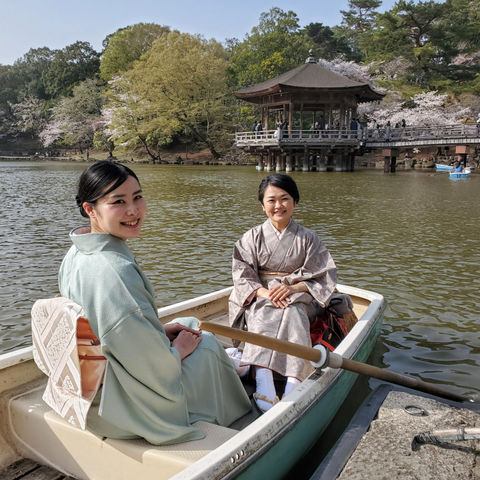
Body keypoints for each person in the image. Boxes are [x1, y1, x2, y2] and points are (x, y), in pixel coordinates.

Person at [59, 161, 251, 444]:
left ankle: (228, 369)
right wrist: (176, 354)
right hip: (122, 407)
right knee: (206, 343)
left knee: (185, 325)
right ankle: (242, 417)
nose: (133, 210)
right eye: (118, 202)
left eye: (137, 197)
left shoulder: (75, 254)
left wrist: (159, 332)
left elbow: (111, 330)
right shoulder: (114, 271)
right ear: (90, 209)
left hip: (92, 387)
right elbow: (151, 366)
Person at [229, 174, 337, 413]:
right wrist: (267, 294)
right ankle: (263, 379)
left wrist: (291, 289)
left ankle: (293, 380)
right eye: (271, 200)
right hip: (261, 293)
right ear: (262, 205)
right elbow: (242, 275)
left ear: (294, 202)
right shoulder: (251, 238)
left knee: (293, 309)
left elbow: (322, 275)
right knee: (263, 309)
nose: (278, 206)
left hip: (299, 293)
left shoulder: (309, 238)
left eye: (284, 199)